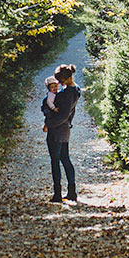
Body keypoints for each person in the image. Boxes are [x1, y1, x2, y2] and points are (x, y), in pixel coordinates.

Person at [43, 64, 81, 202]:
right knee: (65, 159)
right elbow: (70, 113)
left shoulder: (66, 94)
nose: (59, 84)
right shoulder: (76, 90)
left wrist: (48, 124)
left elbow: (62, 114)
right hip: (65, 129)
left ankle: (57, 194)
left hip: (56, 130)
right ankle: (72, 192)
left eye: (62, 81)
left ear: (68, 78)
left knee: (55, 161)